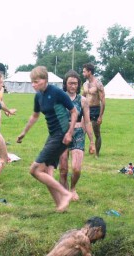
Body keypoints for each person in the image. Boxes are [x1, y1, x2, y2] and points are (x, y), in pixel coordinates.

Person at [17, 66, 77, 212]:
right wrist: (24, 132)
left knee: (35, 170)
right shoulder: (38, 96)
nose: (33, 85)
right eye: (32, 82)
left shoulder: (56, 93)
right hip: (53, 135)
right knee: (47, 172)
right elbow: (35, 115)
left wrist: (70, 133)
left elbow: (74, 112)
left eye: (36, 81)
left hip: (62, 135)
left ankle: (66, 194)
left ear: (45, 80)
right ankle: (60, 206)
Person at [58, 70, 95, 201]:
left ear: (78, 85)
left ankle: (73, 188)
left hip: (78, 133)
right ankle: (65, 192)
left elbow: (87, 121)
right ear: (65, 84)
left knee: (76, 168)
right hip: (62, 135)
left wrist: (92, 142)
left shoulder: (83, 101)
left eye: (75, 83)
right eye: (70, 83)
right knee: (63, 169)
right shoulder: (60, 99)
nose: (73, 86)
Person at [82, 63, 105, 157]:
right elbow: (82, 97)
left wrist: (100, 116)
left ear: (89, 72)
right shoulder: (85, 84)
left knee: (97, 133)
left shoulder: (98, 84)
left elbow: (103, 101)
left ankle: (97, 154)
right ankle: (80, 151)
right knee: (81, 131)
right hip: (86, 108)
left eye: (84, 71)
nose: (83, 73)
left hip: (95, 109)